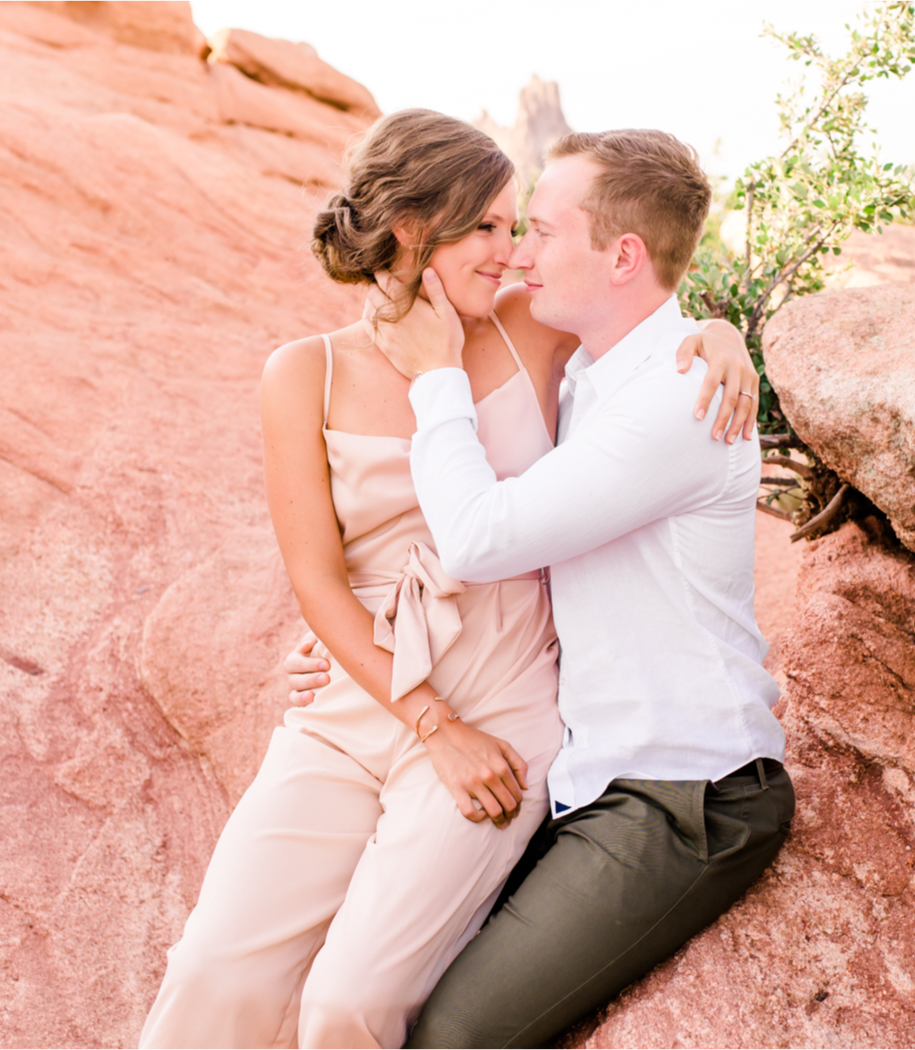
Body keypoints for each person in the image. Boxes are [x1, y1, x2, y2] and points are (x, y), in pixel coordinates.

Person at [138, 110, 757, 1050]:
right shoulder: (301, 373)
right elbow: (318, 583)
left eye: (519, 227)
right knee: (212, 970)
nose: (510, 253)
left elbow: (636, 304)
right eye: (488, 227)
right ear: (408, 229)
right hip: (366, 705)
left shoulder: (523, 334)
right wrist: (426, 716)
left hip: (505, 707)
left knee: (348, 1004)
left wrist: (719, 329)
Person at [354, 128, 795, 1049]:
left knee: (453, 1036)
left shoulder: (678, 396)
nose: (519, 252)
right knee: (379, 967)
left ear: (623, 256)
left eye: (543, 232)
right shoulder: (599, 371)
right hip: (587, 777)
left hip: (682, 792)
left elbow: (480, 539)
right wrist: (349, 629)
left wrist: (438, 378)